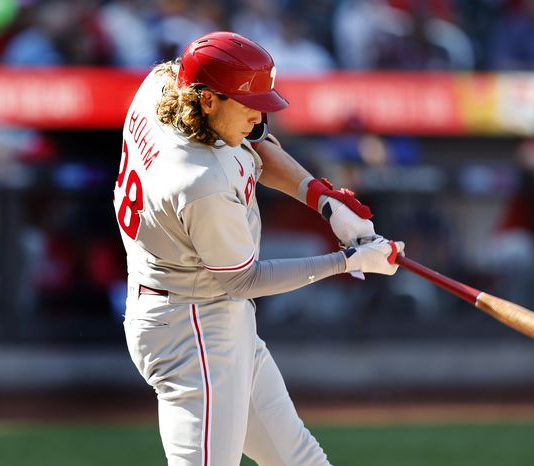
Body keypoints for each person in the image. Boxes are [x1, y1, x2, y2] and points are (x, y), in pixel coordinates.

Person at [113, 31, 404, 466]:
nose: (258, 116)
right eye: (247, 104)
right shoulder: (199, 181)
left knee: (301, 460)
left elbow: (256, 144)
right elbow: (241, 280)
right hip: (193, 327)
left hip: (204, 313)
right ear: (208, 100)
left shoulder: (163, 85)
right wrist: (347, 262)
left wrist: (323, 201)